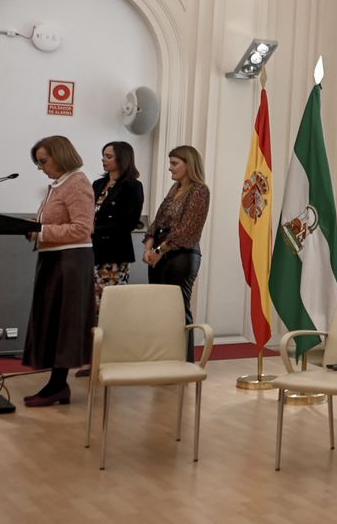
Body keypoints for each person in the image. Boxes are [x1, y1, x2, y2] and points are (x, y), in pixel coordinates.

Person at [22, 135, 95, 406]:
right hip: (54, 259)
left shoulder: (77, 183)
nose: (41, 167)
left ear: (60, 155)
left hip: (71, 262)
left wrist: (40, 231)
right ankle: (56, 385)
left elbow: (81, 228)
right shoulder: (58, 185)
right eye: (38, 163)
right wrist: (35, 227)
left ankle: (57, 386)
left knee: (64, 323)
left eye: (43, 161)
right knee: (52, 322)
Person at [144, 145, 210, 358]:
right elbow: (157, 221)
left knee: (178, 309)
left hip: (182, 255)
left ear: (189, 164)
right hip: (161, 253)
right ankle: (163, 358)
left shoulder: (199, 190)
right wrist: (149, 246)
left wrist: (160, 250)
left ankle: (183, 362)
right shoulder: (174, 190)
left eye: (174, 163)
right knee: (159, 309)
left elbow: (187, 229)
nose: (170, 168)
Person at [91, 140, 145, 310]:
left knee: (109, 305)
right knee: (90, 302)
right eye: (103, 156)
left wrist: (94, 230)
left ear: (122, 159)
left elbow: (128, 222)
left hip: (113, 252)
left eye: (108, 156)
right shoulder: (98, 184)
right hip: (92, 249)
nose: (103, 160)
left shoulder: (132, 186)